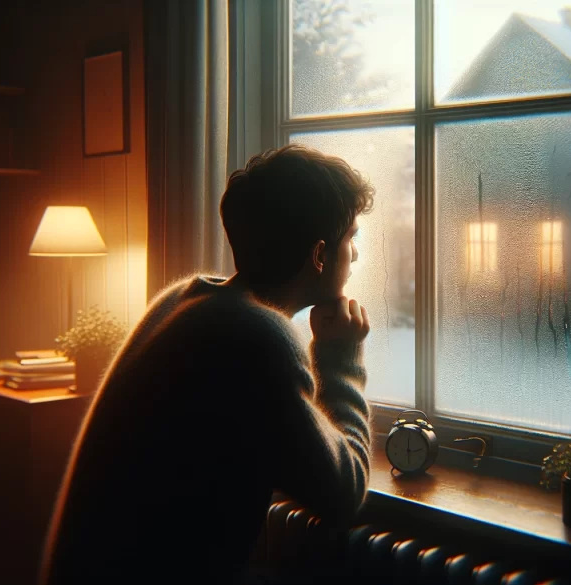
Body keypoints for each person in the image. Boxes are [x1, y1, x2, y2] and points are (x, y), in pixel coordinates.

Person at [39, 144, 374, 584]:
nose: (355, 255)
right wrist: (340, 360)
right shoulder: (256, 336)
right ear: (318, 255)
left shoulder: (185, 299)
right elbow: (343, 491)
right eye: (350, 238)